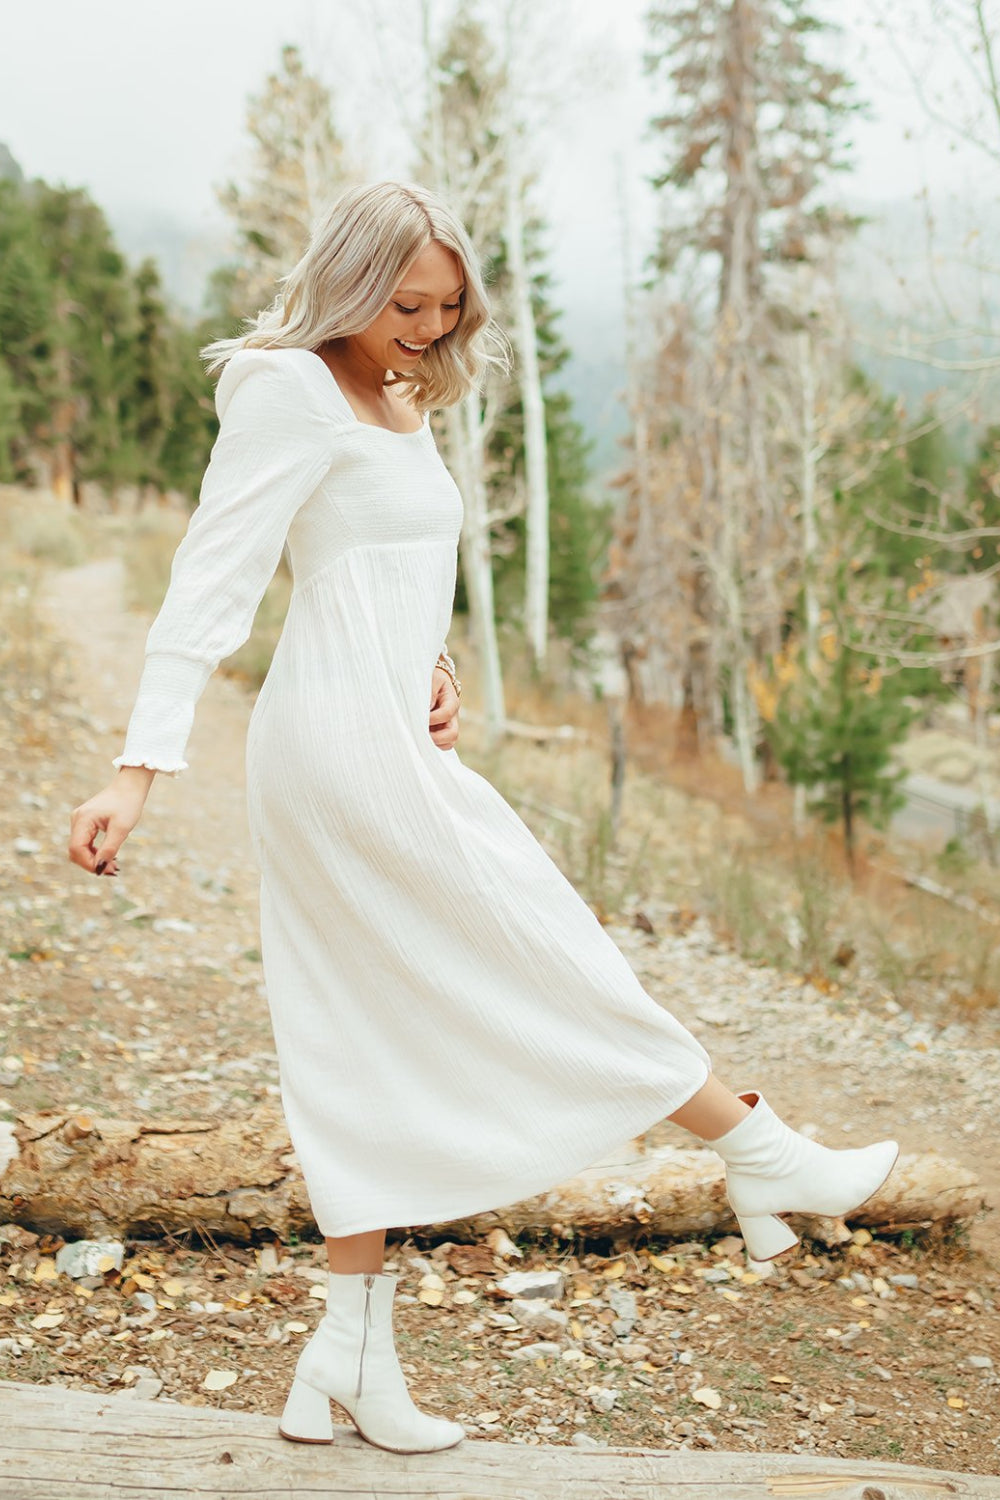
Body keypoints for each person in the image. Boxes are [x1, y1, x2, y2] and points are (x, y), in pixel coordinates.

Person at [67, 180, 899, 1457]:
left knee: (364, 1039)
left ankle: (347, 1358)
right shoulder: (288, 387)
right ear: (347, 283)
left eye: (445, 307)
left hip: (392, 727)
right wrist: (139, 767)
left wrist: (436, 666)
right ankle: (759, 1145)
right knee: (542, 947)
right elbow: (213, 579)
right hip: (335, 753)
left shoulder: (401, 396)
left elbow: (391, 565)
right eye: (403, 303)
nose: (423, 326)